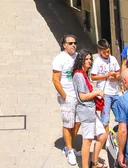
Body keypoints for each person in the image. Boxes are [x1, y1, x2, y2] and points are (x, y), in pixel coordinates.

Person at [72, 49, 107, 168]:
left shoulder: (83, 74)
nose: (89, 61)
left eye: (90, 59)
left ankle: (94, 162)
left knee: (102, 135)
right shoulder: (79, 75)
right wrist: (97, 92)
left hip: (91, 111)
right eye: (86, 59)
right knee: (87, 140)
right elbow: (82, 96)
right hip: (86, 112)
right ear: (81, 60)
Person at [52, 34, 80, 166]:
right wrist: (64, 96)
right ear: (64, 45)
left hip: (79, 95)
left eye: (75, 43)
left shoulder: (78, 56)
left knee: (78, 122)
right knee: (68, 123)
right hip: (67, 95)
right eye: (70, 43)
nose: (73, 45)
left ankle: (68, 146)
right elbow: (55, 80)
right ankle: (69, 150)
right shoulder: (59, 59)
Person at [91, 39, 121, 132]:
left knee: (121, 116)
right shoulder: (97, 61)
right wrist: (106, 76)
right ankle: (106, 139)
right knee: (105, 119)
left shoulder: (113, 59)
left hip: (115, 92)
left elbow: (118, 72)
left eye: (108, 51)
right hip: (104, 94)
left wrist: (115, 77)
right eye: (105, 52)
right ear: (99, 51)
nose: (107, 54)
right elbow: (93, 77)